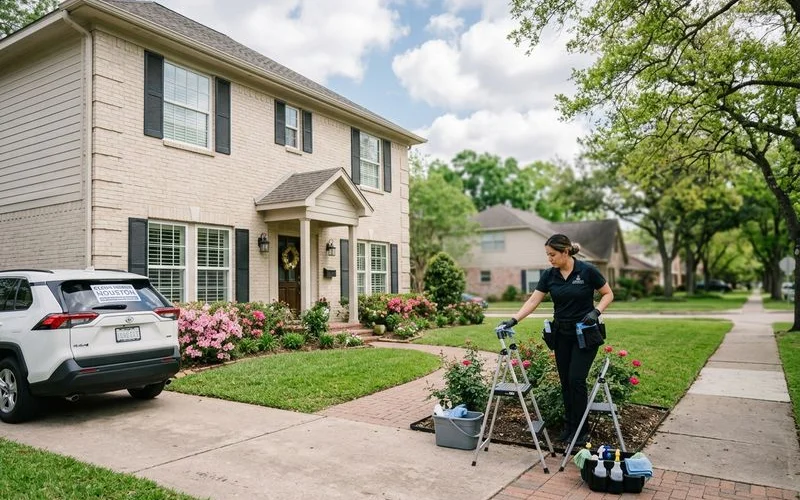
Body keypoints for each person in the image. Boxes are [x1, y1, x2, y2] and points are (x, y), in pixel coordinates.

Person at [497, 234, 614, 446]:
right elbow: (534, 300)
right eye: (547, 255)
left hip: (585, 334)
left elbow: (608, 294)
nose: (549, 259)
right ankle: (569, 427)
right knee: (565, 383)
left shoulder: (587, 271)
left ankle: (581, 430)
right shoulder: (550, 275)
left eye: (552, 254)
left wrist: (596, 312)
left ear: (565, 252)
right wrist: (513, 320)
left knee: (576, 380)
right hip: (562, 335)